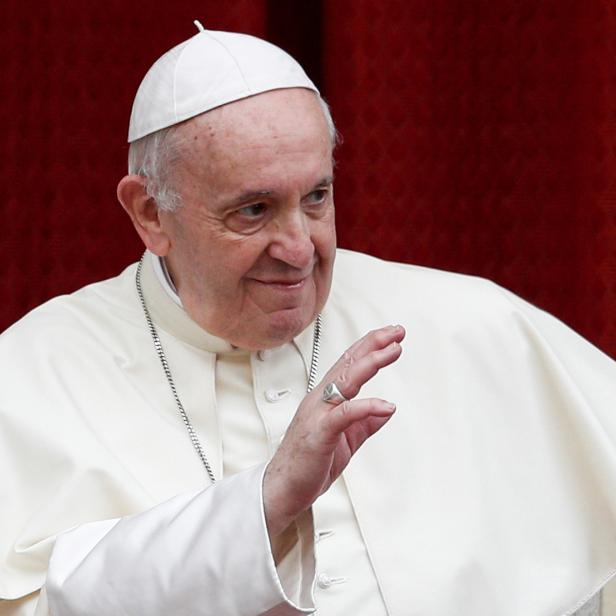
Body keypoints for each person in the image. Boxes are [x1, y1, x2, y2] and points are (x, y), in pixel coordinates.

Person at [2, 24, 616, 616]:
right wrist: (263, 507)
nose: (299, 249)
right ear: (150, 213)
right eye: (254, 209)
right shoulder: (32, 372)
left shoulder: (477, 323)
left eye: (316, 197)